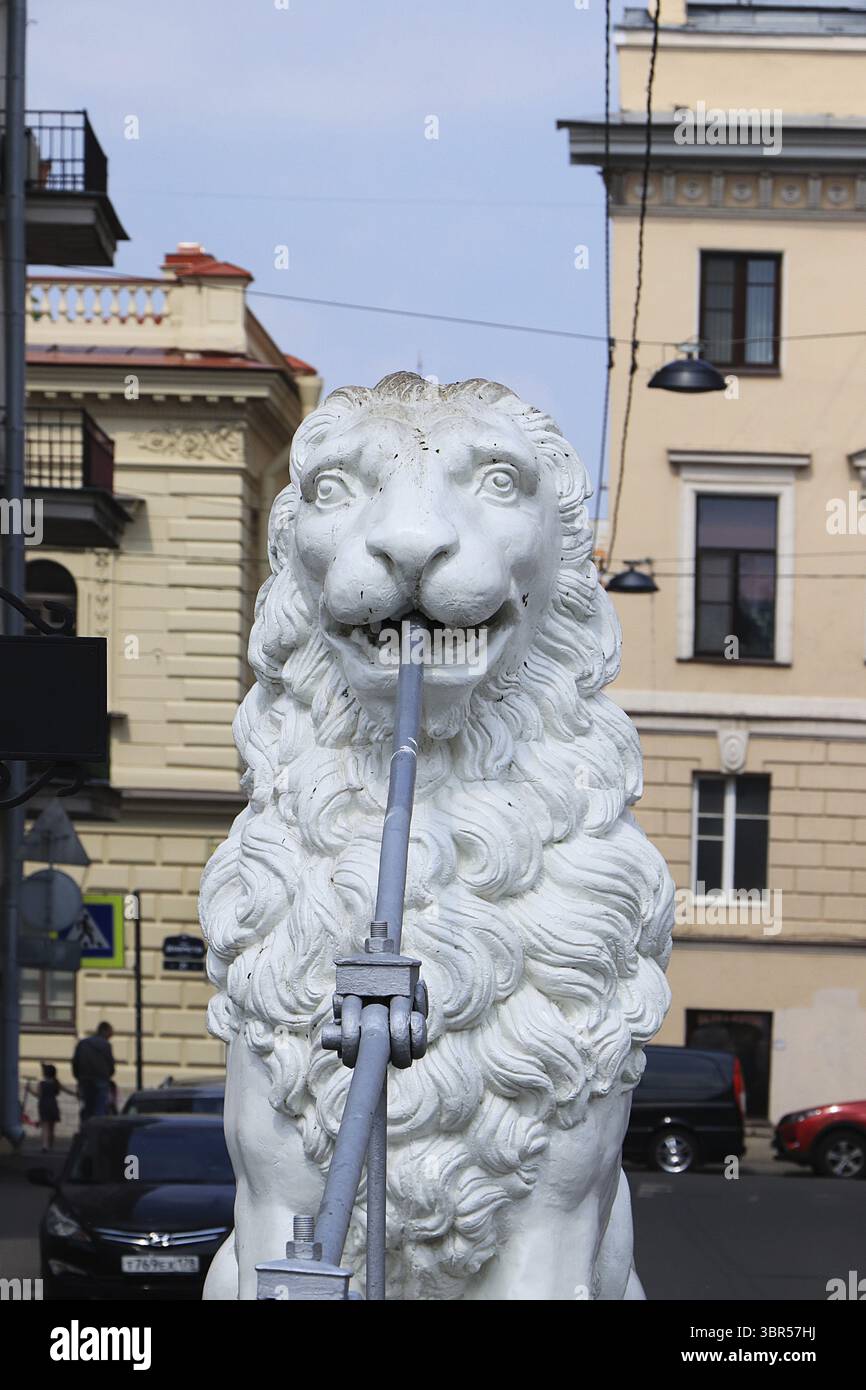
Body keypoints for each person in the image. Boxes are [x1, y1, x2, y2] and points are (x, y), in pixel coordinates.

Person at [72, 1021, 115, 1123]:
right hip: (101, 1080)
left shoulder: (82, 1043)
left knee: (87, 1109)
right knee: (100, 1110)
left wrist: (79, 1079)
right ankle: (98, 1129)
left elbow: (75, 1063)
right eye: (110, 1033)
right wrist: (108, 1075)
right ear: (104, 1031)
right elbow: (110, 1064)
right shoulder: (106, 1045)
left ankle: (86, 1128)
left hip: (85, 1081)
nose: (110, 1036)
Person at [26, 1064, 75, 1151]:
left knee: (45, 1126)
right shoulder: (56, 1083)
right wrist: (75, 1094)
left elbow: (38, 1095)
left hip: (43, 1106)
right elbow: (66, 1090)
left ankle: (45, 1146)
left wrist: (29, 1090)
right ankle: (51, 1145)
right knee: (52, 1128)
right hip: (53, 1105)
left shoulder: (41, 1084)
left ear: (45, 1073)